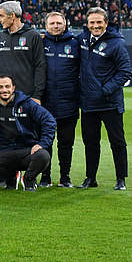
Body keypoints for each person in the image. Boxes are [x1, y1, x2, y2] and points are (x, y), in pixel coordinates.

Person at [77, 7, 131, 191]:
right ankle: (90, 178)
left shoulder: (117, 43)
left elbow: (125, 72)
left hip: (110, 103)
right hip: (88, 104)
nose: (96, 25)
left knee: (117, 142)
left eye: (99, 22)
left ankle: (121, 179)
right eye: (92, 22)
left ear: (106, 23)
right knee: (90, 143)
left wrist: (105, 90)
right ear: (87, 24)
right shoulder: (82, 39)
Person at [0, 75, 56, 191]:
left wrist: (42, 143)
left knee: (43, 155)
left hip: (26, 150)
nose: (4, 90)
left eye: (7, 86)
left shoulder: (27, 103)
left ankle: (28, 179)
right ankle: (11, 177)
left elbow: (49, 120)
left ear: (13, 88)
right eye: (0, 87)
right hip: (3, 150)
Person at [41, 11, 81, 187]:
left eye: (58, 23)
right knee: (45, 143)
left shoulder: (75, 43)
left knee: (66, 145)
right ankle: (45, 177)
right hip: (45, 105)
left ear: (65, 24)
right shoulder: (40, 43)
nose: (56, 26)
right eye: (52, 23)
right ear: (46, 26)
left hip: (68, 103)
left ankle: (65, 177)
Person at [0, 1, 46, 102]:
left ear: (12, 16)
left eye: (1, 16)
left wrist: (37, 95)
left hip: (27, 97)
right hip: (3, 97)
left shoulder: (33, 36)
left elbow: (40, 66)